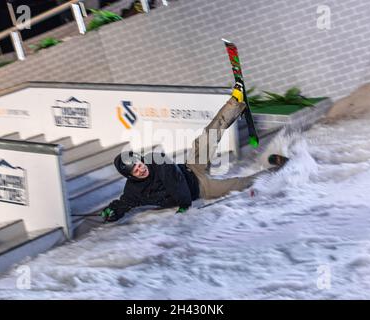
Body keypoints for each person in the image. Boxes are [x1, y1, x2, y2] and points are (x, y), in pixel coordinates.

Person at [99, 83, 289, 222]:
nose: (141, 169)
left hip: (192, 168)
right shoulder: (133, 190)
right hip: (202, 189)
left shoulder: (156, 161)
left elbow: (176, 181)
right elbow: (124, 203)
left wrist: (184, 205)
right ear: (130, 176)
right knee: (241, 184)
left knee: (208, 136)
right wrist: (111, 212)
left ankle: (235, 103)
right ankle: (278, 168)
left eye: (140, 165)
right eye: (136, 171)